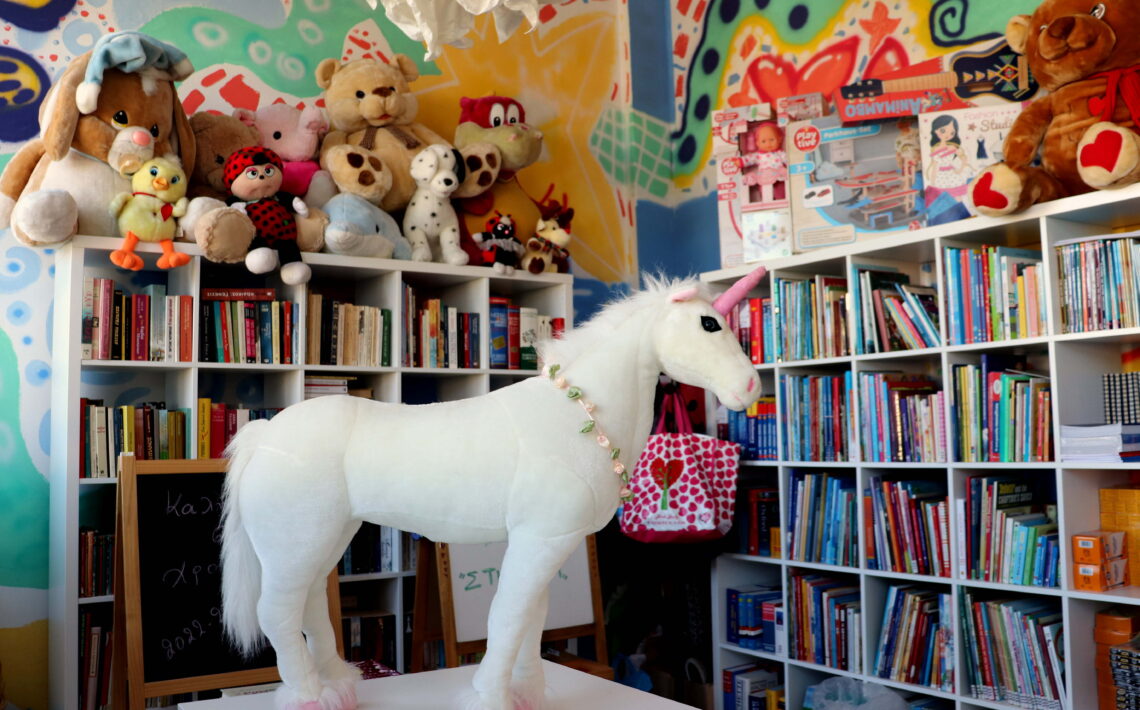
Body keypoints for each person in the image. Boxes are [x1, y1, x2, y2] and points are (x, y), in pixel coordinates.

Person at [739, 121, 787, 205]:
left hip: (778, 177)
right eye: (763, 141)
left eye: (772, 140)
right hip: (764, 177)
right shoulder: (759, 155)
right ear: (757, 143)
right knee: (764, 191)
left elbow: (788, 160)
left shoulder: (780, 154)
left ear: (779, 139)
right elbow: (749, 158)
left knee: (781, 190)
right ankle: (766, 203)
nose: (768, 143)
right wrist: (740, 161)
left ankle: (782, 200)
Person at [924, 114, 969, 201]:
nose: (948, 135)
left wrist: (960, 169)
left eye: (952, 133)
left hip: (952, 175)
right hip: (941, 177)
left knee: (957, 196)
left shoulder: (952, 147)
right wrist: (932, 183)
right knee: (944, 198)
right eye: (943, 130)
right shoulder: (935, 149)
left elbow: (964, 159)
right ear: (935, 131)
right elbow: (934, 167)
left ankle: (960, 208)